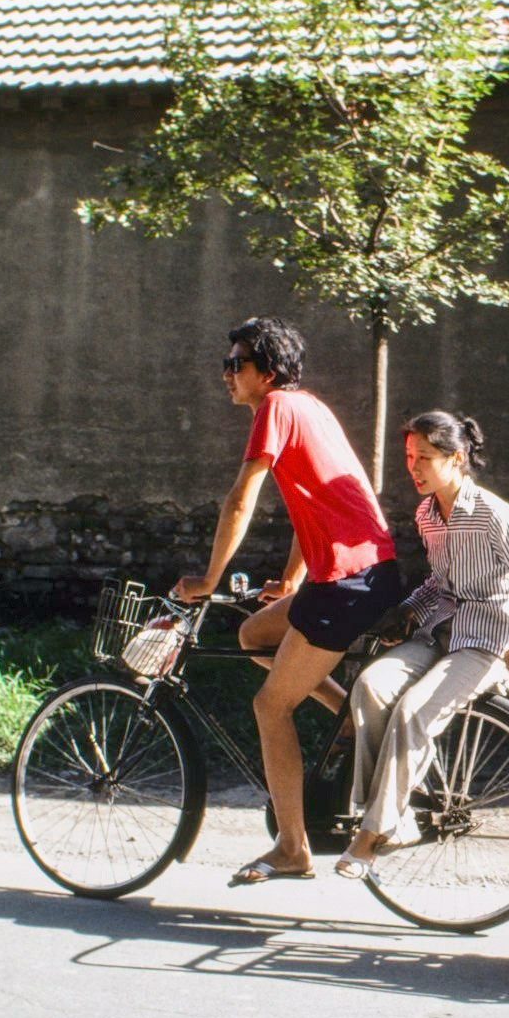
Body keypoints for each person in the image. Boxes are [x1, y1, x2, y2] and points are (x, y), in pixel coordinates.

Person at [172, 317, 404, 886]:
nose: (226, 374)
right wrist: (290, 579)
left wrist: (209, 577)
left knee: (269, 706)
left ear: (267, 373)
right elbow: (319, 503)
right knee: (254, 635)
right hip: (357, 573)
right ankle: (351, 717)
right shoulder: (310, 408)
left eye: (236, 365)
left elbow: (239, 501)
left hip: (349, 581)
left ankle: (292, 847)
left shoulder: (274, 410)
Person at [334, 411, 509, 880]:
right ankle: (391, 816)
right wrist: (409, 608)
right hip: (442, 629)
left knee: (415, 710)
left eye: (425, 458)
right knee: (371, 686)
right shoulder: (426, 514)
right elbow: (441, 582)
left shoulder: (494, 514)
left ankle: (370, 835)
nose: (414, 468)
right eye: (410, 458)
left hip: (489, 637)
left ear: (457, 459)